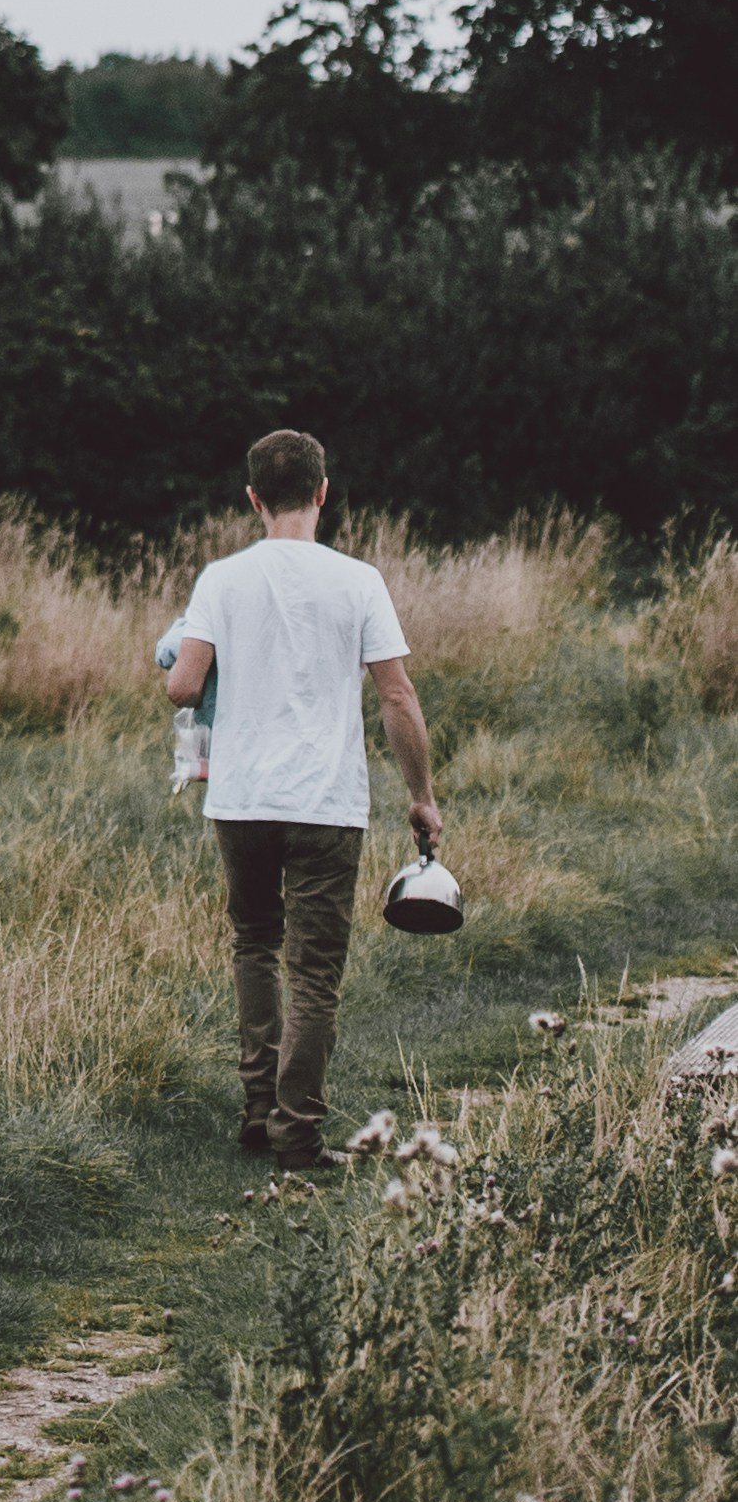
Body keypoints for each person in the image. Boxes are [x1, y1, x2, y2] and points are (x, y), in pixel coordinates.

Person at [165, 430, 440, 1175]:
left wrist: (190, 655)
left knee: (253, 945)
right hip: (323, 803)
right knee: (313, 973)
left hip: (242, 799)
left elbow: (182, 686)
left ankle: (259, 1111)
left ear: (252, 498)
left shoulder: (219, 579)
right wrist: (420, 796)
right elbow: (396, 694)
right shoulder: (358, 581)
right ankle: (297, 1135)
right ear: (323, 492)